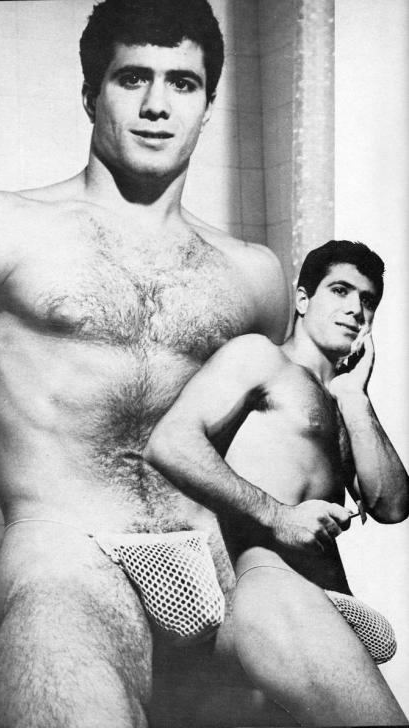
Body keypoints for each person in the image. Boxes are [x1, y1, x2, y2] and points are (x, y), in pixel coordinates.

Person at [0, 1, 298, 726]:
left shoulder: (254, 276)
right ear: (91, 93)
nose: (157, 105)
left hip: (219, 575)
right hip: (69, 566)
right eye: (132, 78)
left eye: (183, 83)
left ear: (207, 104)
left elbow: (264, 447)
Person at [144, 239, 409, 726]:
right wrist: (277, 515)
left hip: (325, 607)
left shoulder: (340, 400)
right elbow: (169, 442)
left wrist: (355, 397)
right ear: (303, 299)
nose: (356, 309)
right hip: (274, 594)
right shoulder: (261, 358)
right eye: (340, 290)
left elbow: (391, 505)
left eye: (368, 300)